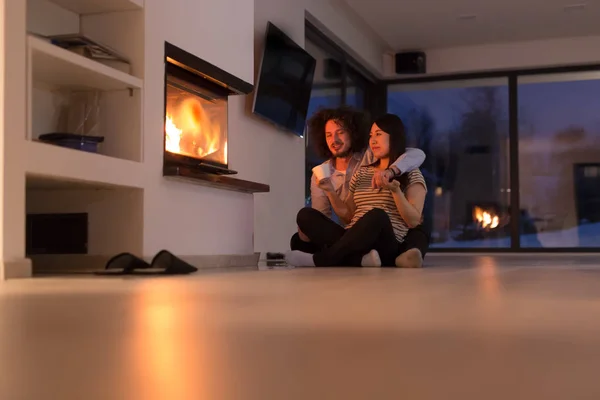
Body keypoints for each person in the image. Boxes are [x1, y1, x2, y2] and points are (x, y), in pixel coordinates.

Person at [285, 113, 429, 268]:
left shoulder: (410, 172)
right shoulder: (362, 172)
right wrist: (329, 190)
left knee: (377, 215)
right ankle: (359, 260)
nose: (373, 140)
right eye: (371, 136)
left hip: (387, 243)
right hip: (354, 238)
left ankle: (322, 259)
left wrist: (396, 191)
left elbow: (414, 221)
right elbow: (348, 216)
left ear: (394, 137)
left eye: (378, 135)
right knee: (305, 215)